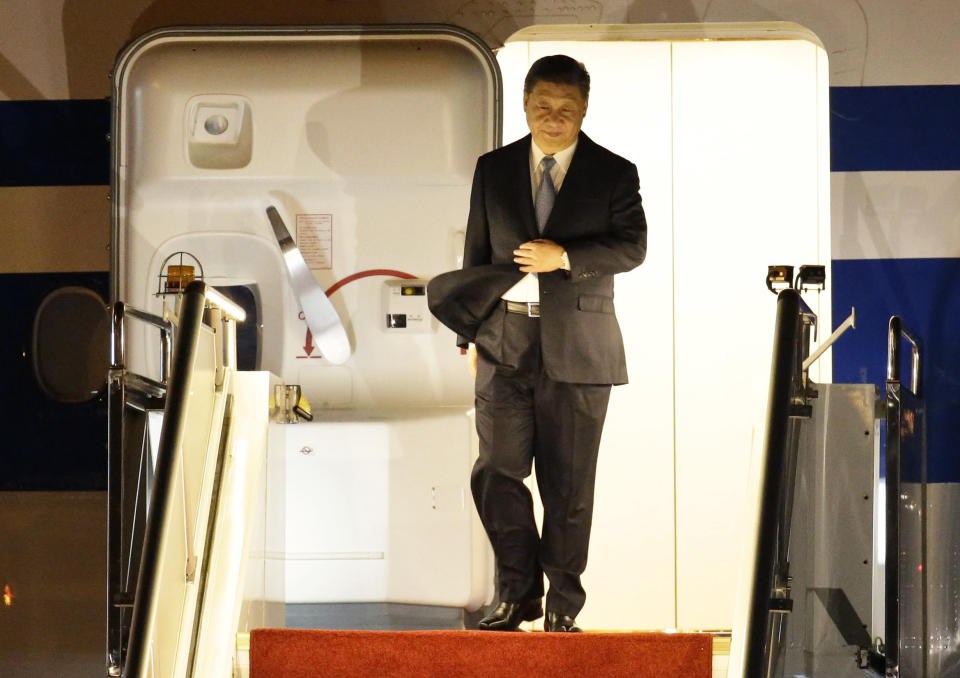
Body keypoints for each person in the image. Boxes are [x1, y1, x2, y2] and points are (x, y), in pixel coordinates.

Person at [439, 54, 647, 633]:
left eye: (566, 109)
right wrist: (468, 332)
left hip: (580, 346)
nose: (553, 118)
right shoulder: (494, 167)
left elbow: (632, 248)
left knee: (569, 486)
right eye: (542, 107)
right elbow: (476, 254)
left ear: (583, 109)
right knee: (496, 471)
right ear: (526, 105)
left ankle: (562, 605)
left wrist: (568, 258)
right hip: (502, 339)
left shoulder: (614, 172)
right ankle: (518, 593)